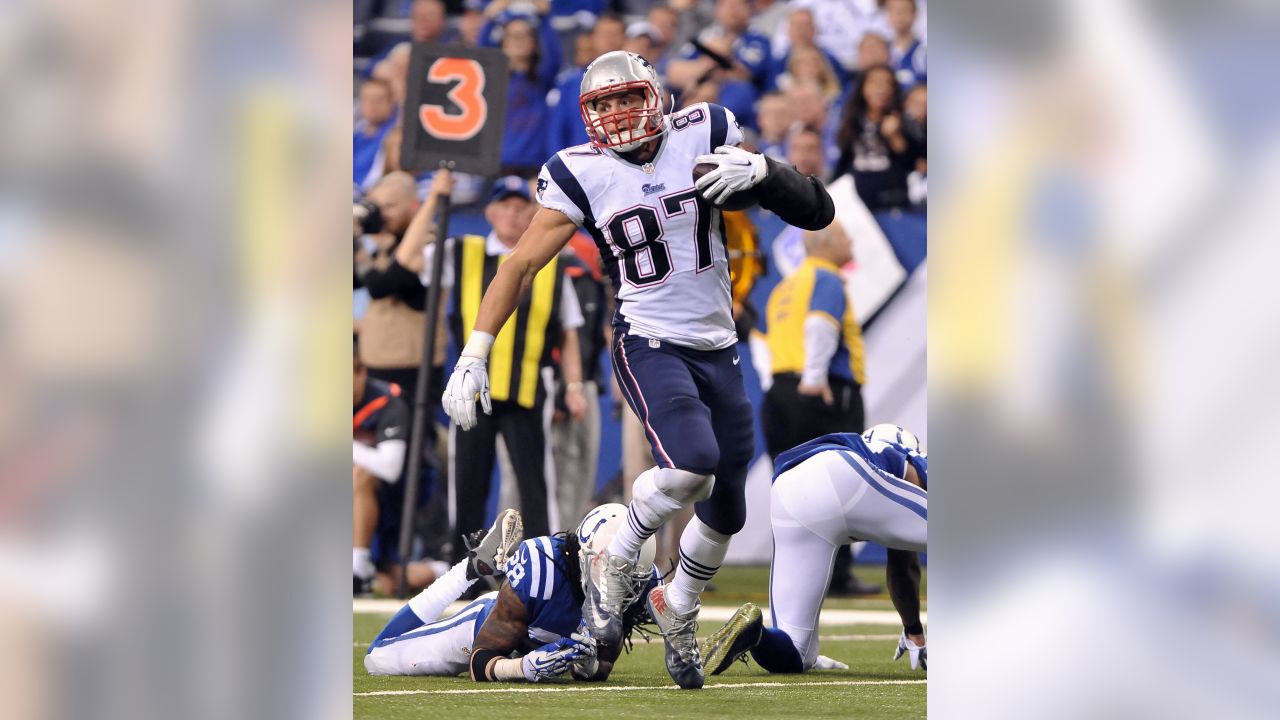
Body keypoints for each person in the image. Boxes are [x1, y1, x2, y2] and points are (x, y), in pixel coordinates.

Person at [439, 50, 834, 689]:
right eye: (603, 103)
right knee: (695, 462)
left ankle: (677, 605)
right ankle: (615, 558)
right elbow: (517, 265)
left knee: (728, 507)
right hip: (647, 337)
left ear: (655, 95)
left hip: (719, 342)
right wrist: (475, 351)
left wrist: (765, 170)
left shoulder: (704, 134)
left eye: (627, 97)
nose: (618, 113)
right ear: (587, 115)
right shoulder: (579, 171)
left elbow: (818, 212)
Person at [397, 173, 588, 548]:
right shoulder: (461, 252)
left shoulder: (553, 262)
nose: (514, 215)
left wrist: (574, 386)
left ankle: (542, 569)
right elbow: (408, 259)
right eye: (505, 206)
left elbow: (569, 331)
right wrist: (435, 200)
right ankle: (463, 570)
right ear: (489, 211)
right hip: (471, 387)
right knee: (467, 483)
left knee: (535, 485)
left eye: (522, 208)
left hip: (528, 389)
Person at [700, 425, 928, 675]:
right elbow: (903, 567)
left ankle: (754, 632)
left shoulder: (866, 448)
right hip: (843, 472)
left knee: (795, 654)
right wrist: (914, 629)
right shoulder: (910, 460)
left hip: (788, 489)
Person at [365, 505, 661, 682]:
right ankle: (469, 570)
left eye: (626, 578)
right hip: (483, 628)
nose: (619, 587)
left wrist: (589, 665)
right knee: (377, 659)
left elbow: (604, 665)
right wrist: (523, 667)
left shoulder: (640, 586)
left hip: (524, 637)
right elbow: (480, 663)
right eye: (611, 572)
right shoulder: (541, 569)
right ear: (586, 556)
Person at [833, 64, 925, 212]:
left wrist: (895, 137)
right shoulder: (852, 121)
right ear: (863, 87)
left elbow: (915, 164)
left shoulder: (904, 121)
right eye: (874, 82)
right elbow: (844, 161)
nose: (881, 89)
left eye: (887, 83)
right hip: (858, 199)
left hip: (892, 200)